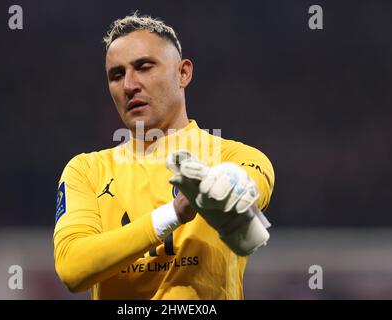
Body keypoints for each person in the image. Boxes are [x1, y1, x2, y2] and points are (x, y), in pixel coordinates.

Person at [53, 12, 275, 300]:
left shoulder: (232, 157)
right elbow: (73, 268)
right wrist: (174, 213)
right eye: (116, 75)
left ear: (183, 73)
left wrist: (227, 189)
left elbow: (248, 184)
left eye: (144, 67)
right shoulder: (86, 170)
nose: (129, 85)